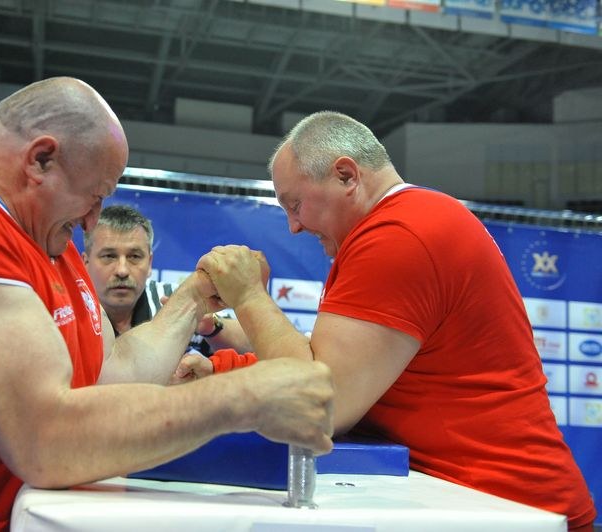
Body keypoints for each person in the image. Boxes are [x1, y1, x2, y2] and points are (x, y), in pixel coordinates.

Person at [0, 78, 335, 530]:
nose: (91, 219)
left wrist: (193, 298)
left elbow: (111, 375)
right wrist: (241, 397)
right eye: (95, 195)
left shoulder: (50, 247)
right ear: (41, 159)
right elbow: (44, 437)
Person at [192, 111, 596, 531]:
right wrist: (221, 367)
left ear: (347, 175)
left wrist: (250, 296)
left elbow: (322, 405)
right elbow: (336, 365)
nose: (293, 226)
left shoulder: (399, 236)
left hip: (510, 508)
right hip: (486, 502)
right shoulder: (408, 221)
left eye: (295, 205)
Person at [82, 204, 252, 355]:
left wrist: (211, 326)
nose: (122, 270)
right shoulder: (67, 309)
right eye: (109, 256)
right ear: (85, 263)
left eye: (134, 256)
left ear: (149, 263)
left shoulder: (171, 299)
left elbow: (255, 346)